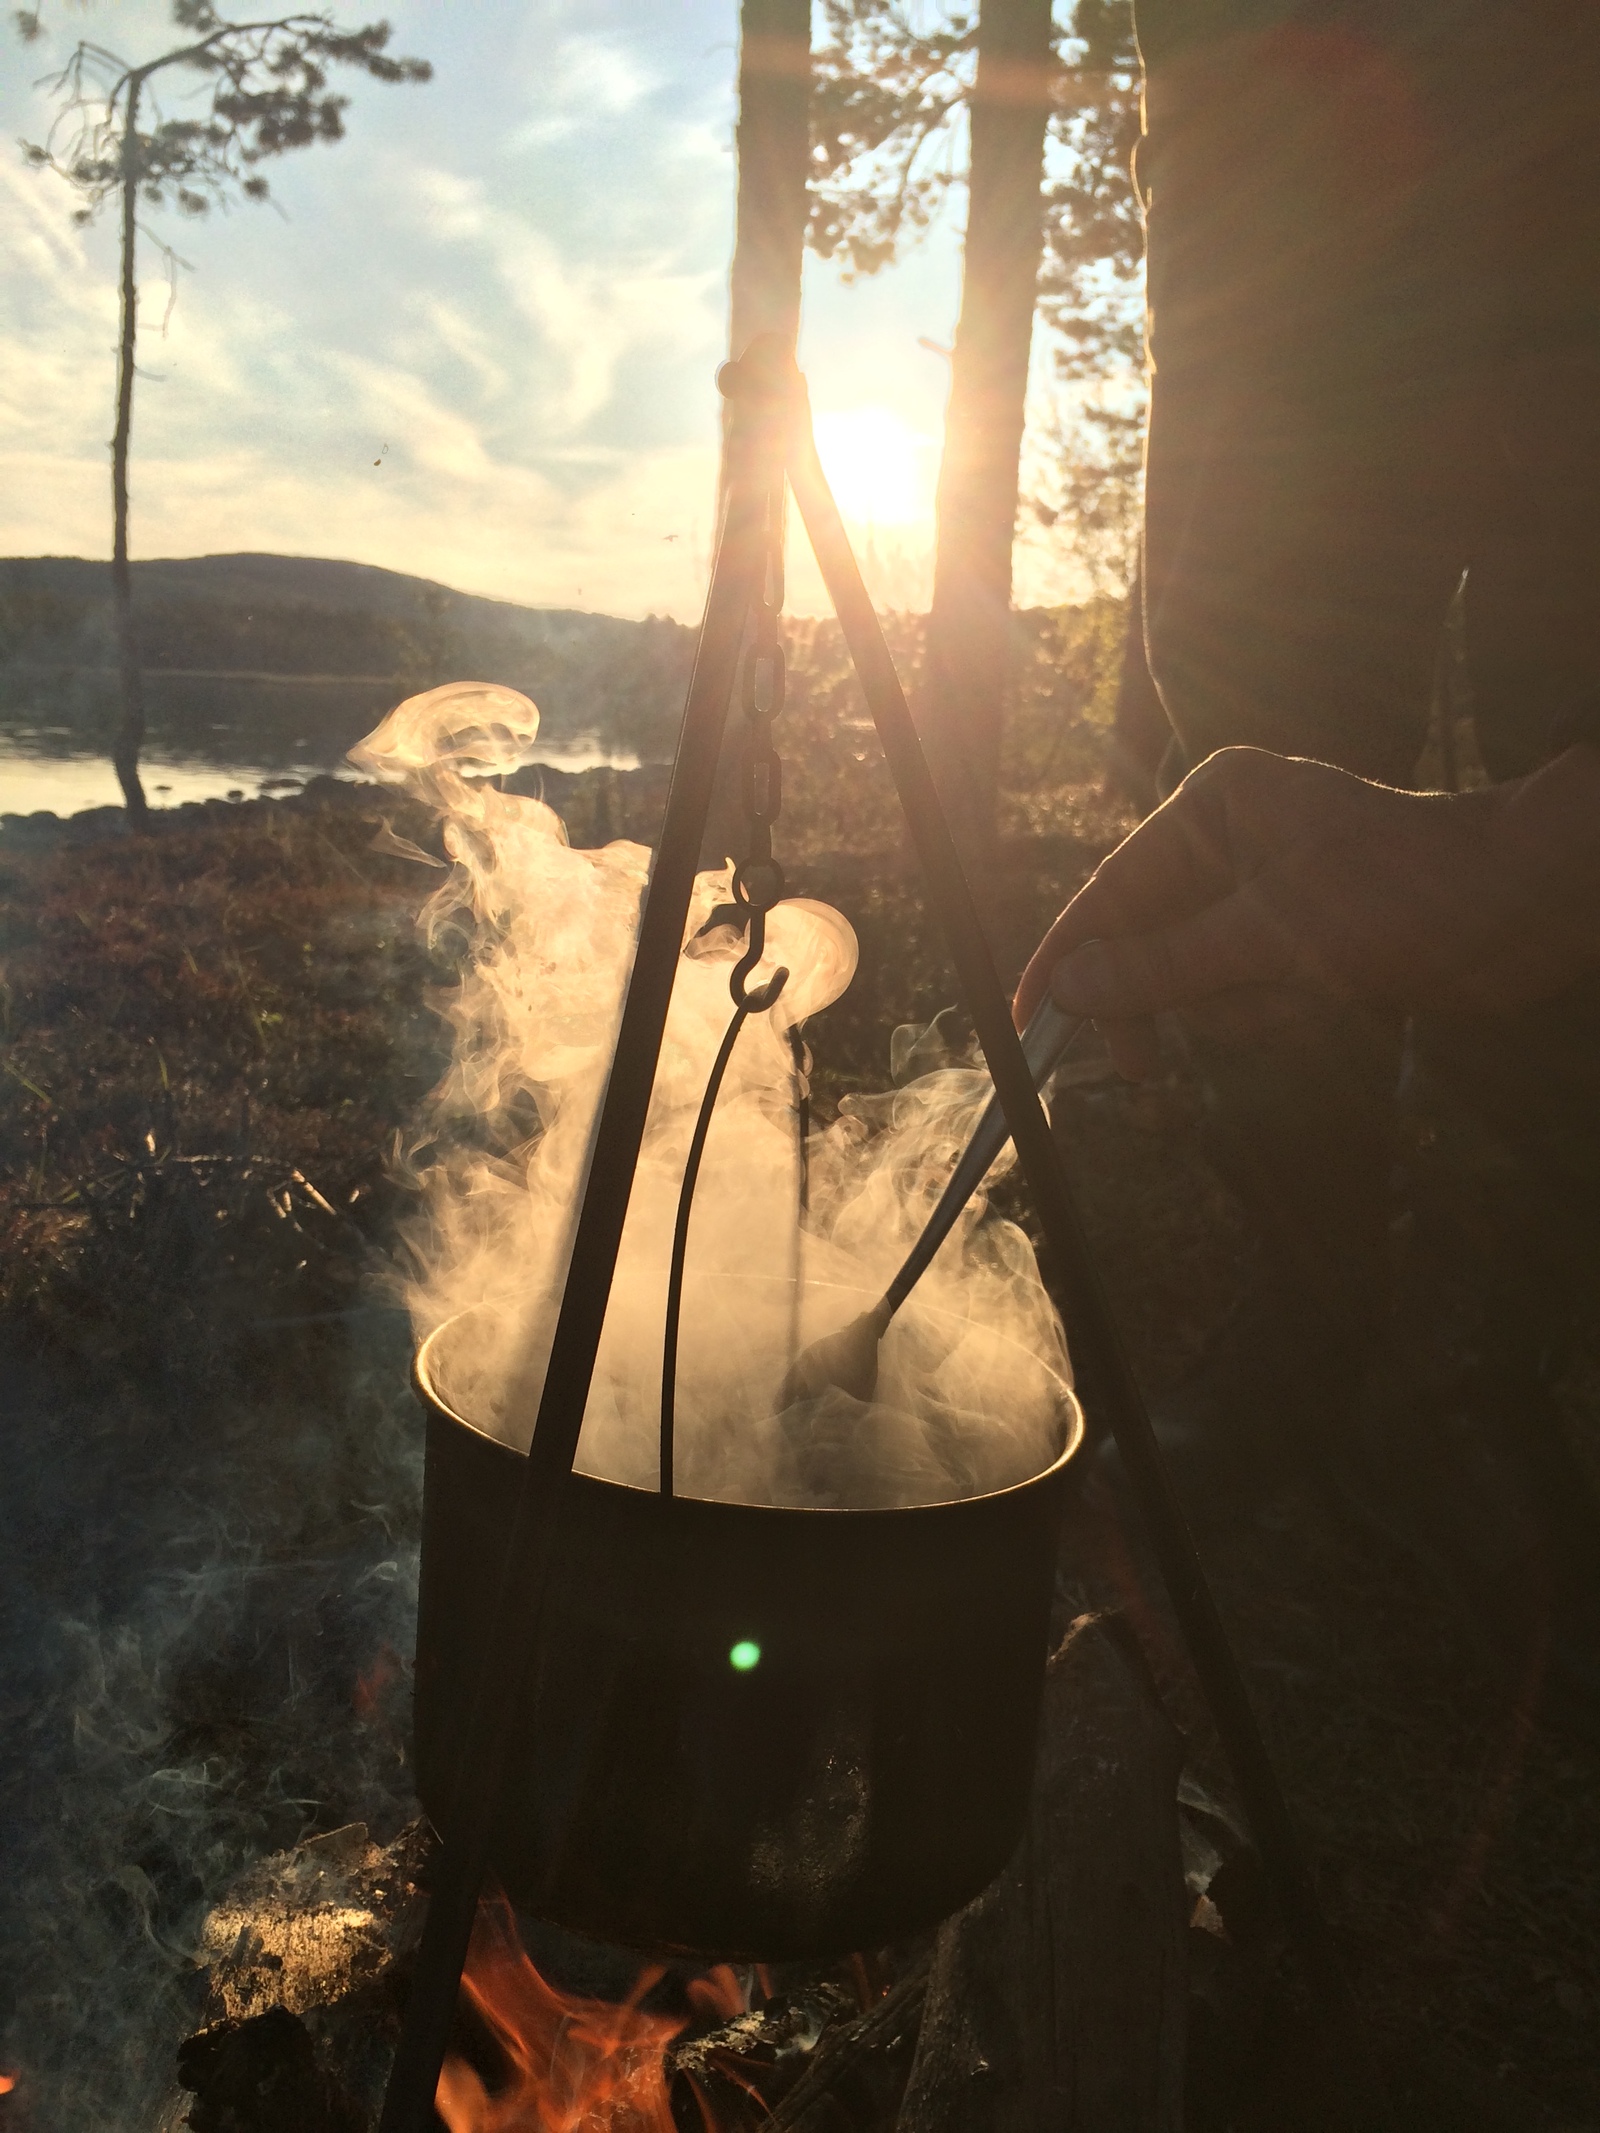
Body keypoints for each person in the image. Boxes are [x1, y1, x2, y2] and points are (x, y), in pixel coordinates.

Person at [1031, 0, 1600, 1708]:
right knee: (1247, 689)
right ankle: (1325, 1313)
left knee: (1569, 667)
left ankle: (1508, 1355)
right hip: (1265, 54)